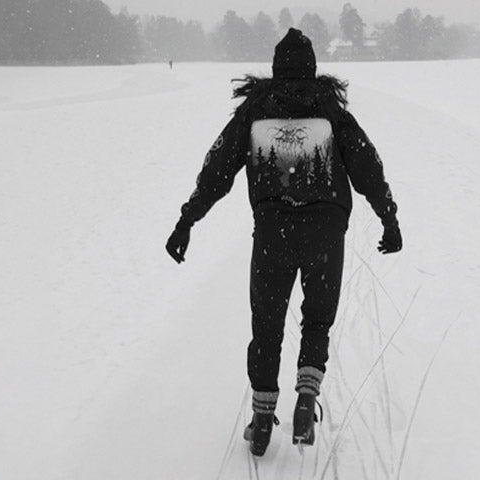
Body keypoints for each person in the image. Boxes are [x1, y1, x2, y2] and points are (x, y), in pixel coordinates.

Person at [164, 28, 401, 457]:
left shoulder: (255, 113)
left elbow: (217, 170)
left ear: (276, 69)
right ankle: (307, 397)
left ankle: (260, 417)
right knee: (316, 320)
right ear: (311, 67)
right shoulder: (331, 111)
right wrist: (389, 217)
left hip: (274, 232)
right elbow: (368, 165)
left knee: (267, 323)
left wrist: (187, 220)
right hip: (326, 232)